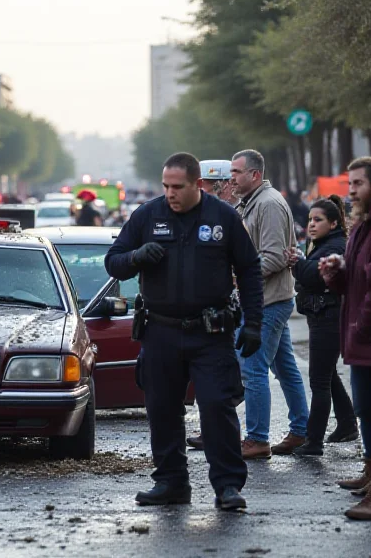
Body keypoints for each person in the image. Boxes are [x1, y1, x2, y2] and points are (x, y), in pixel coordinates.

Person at [105, 152, 263, 510]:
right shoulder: (148, 215)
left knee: (216, 408)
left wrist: (255, 322)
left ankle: (227, 487)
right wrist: (136, 257)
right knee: (162, 411)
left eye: (178, 187)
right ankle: (171, 483)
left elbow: (250, 270)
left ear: (197, 185)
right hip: (160, 331)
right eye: (166, 186)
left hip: (210, 332)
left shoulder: (222, 217)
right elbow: (113, 261)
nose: (171, 193)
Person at [321, 157, 371, 520]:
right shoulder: (362, 226)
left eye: (358, 184)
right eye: (349, 185)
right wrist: (336, 273)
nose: (350, 192)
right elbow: (357, 280)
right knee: (365, 409)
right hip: (365, 341)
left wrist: (361, 326)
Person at [231, 149, 309, 459]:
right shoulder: (252, 202)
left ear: (254, 174)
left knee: (253, 369)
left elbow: (276, 257)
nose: (231, 178)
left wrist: (239, 276)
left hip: (268, 300)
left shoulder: (269, 204)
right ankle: (302, 430)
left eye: (236, 172)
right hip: (268, 297)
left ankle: (257, 439)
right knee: (285, 367)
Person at [285, 196, 358, 456]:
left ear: (334, 222)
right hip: (321, 317)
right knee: (327, 375)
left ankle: (313, 441)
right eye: (310, 220)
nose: (312, 225)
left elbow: (315, 278)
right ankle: (348, 424)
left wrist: (297, 262)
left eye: (318, 220)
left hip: (328, 318)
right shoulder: (323, 243)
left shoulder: (335, 245)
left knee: (319, 380)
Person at [186, 159, 241, 452]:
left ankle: (229, 436)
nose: (200, 190)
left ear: (223, 185)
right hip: (214, 309)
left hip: (226, 308)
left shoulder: (228, 216)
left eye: (204, 185)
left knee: (231, 378)